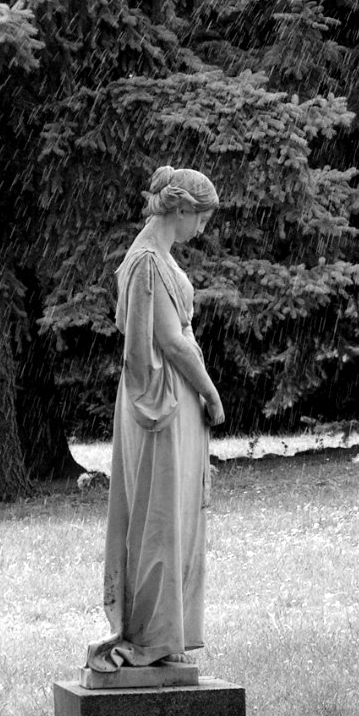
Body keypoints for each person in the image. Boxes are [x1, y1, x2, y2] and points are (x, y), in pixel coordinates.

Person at [86, 166, 224, 671]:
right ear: (182, 209)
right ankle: (149, 633)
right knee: (159, 516)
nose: (202, 230)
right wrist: (211, 393)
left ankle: (165, 634)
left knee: (172, 514)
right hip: (161, 403)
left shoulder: (157, 257)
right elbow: (170, 341)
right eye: (202, 219)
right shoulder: (146, 262)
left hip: (168, 400)